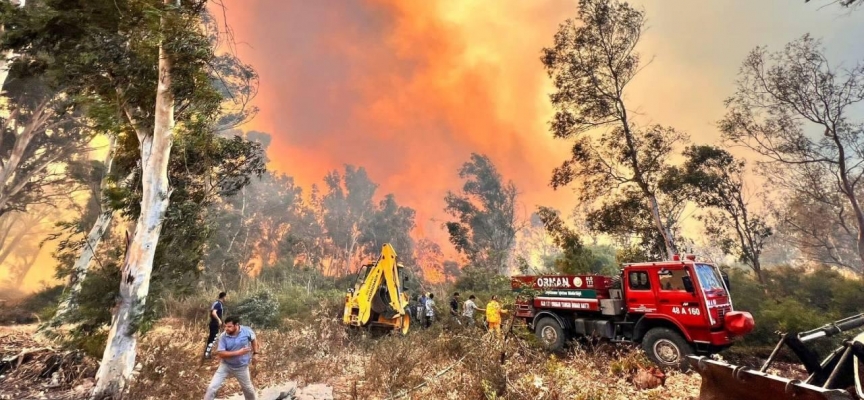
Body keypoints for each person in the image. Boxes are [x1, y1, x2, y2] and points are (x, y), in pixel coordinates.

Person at [204, 316, 259, 400]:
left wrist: (256, 353)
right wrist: (238, 352)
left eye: (229, 326)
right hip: (226, 365)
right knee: (212, 388)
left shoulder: (247, 331)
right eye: (225, 326)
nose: (226, 328)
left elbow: (254, 339)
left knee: (248, 389)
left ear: (236, 325)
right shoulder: (223, 336)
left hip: (241, 367)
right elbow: (221, 354)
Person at [204, 291, 226, 359]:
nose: (226, 299)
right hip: (214, 323)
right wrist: (218, 320)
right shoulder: (218, 304)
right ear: (223, 297)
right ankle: (207, 354)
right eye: (226, 297)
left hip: (215, 323)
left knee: (213, 338)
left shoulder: (218, 303)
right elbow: (214, 313)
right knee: (213, 339)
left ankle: (208, 353)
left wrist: (222, 322)